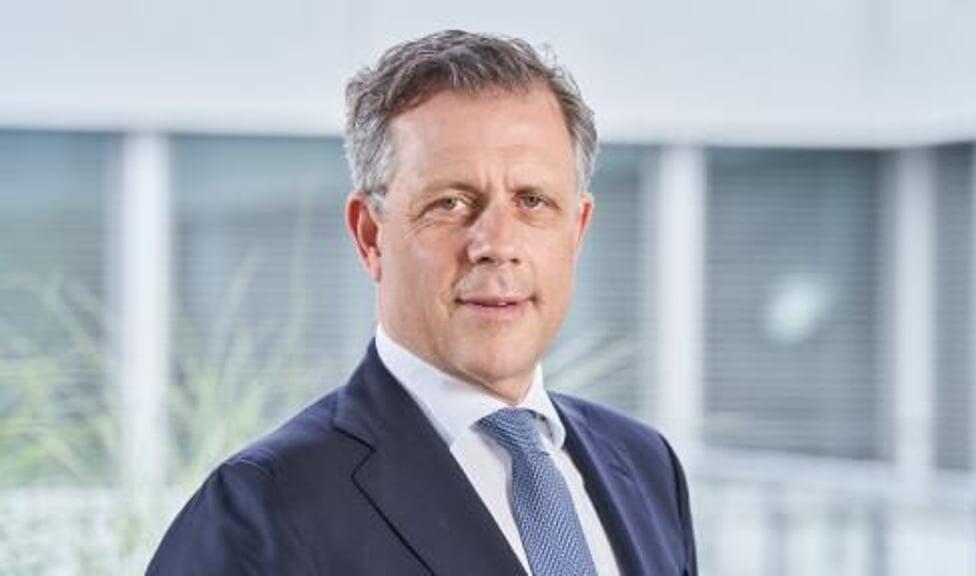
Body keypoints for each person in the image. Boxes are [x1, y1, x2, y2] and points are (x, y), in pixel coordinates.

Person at [147, 30, 697, 576]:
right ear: (370, 235)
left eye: (532, 201)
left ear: (576, 230)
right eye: (450, 203)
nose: (496, 244)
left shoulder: (647, 470)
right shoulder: (262, 509)